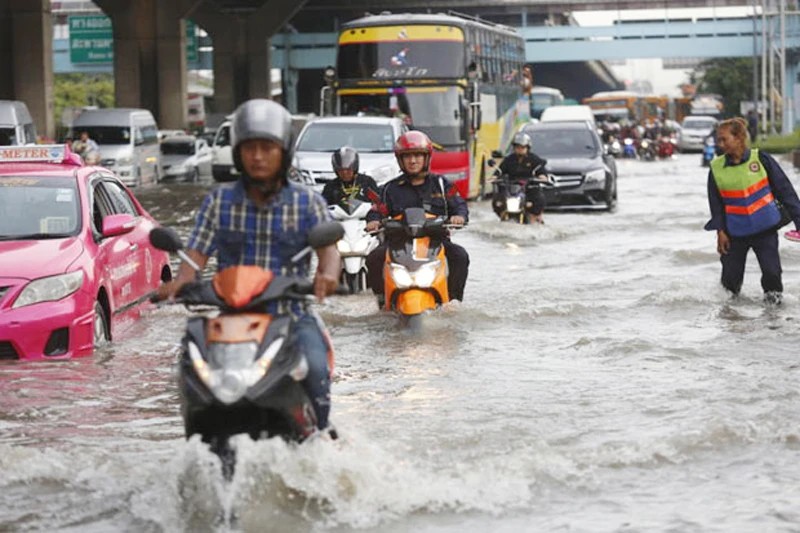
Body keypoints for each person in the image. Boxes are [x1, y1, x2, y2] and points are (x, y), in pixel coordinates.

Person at [156, 99, 340, 431]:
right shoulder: (219, 201)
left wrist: (327, 275)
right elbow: (194, 256)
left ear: (282, 152)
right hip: (230, 322)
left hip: (291, 317)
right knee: (191, 370)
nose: (257, 156)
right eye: (249, 148)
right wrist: (180, 283)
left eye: (266, 148)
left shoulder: (306, 201)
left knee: (314, 370)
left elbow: (329, 248)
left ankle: (321, 440)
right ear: (239, 153)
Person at [364, 130, 469, 306]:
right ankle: (382, 302)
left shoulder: (442, 184)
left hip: (436, 241)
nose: (412, 161)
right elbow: (377, 209)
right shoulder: (390, 188)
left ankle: (453, 301)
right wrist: (373, 221)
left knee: (460, 256)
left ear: (426, 157)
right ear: (400, 160)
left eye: (417, 155)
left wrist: (459, 216)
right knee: (373, 258)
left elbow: (459, 204)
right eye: (407, 156)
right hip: (398, 242)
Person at [705, 117, 800, 305]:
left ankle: (773, 322)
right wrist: (720, 232)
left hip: (765, 231)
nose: (719, 143)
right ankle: (731, 322)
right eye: (719, 139)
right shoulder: (716, 168)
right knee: (730, 285)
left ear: (739, 138)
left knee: (772, 277)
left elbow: (786, 192)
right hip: (734, 234)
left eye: (724, 139)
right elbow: (716, 205)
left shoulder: (762, 160)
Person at [496, 132, 549, 224]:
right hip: (512, 189)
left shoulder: (534, 159)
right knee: (498, 202)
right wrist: (494, 178)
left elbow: (541, 171)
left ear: (527, 148)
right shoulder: (509, 160)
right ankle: (503, 217)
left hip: (529, 188)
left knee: (538, 201)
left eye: (522, 147)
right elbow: (499, 171)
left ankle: (535, 220)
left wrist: (542, 178)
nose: (520, 150)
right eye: (517, 147)